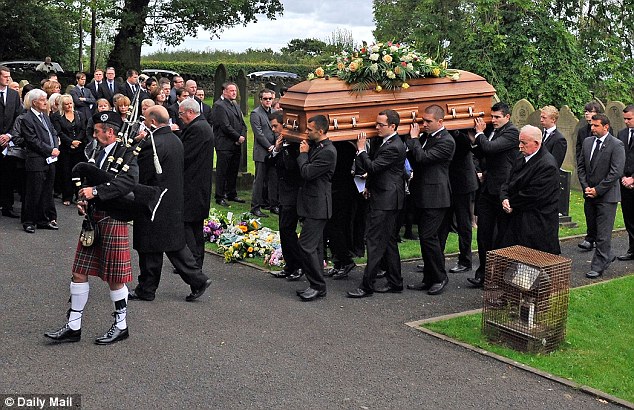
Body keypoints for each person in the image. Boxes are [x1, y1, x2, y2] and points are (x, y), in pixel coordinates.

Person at [44, 111, 139, 344]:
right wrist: (83, 199)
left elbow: (127, 183)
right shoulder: (95, 153)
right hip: (93, 220)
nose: (94, 135)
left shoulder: (127, 154)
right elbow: (86, 182)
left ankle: (121, 325)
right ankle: (73, 327)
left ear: (110, 132)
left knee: (115, 278)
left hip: (114, 219)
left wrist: (96, 192)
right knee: (78, 272)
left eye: (97, 131)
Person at [129, 105, 212, 301]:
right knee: (174, 246)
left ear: (152, 122)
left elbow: (142, 174)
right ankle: (197, 279)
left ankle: (147, 289)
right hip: (172, 199)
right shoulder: (175, 140)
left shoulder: (153, 144)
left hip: (154, 202)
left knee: (150, 247)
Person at [347, 109, 406, 298]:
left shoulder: (394, 146)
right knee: (388, 242)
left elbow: (373, 167)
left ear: (393, 126)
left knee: (374, 242)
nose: (376, 127)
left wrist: (361, 149)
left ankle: (367, 286)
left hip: (386, 201)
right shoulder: (387, 142)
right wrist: (369, 187)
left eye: (381, 125)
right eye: (376, 124)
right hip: (385, 196)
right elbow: (378, 171)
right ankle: (396, 281)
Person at [466, 102, 520, 288]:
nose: (494, 120)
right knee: (483, 234)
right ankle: (483, 273)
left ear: (507, 117)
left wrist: (480, 134)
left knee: (500, 236)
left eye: (497, 117)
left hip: (502, 190)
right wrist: (473, 139)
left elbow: (491, 148)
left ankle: (497, 277)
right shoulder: (492, 131)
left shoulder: (512, 133)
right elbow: (482, 151)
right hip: (488, 189)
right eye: (493, 116)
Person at [405, 105, 455, 295]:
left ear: (440, 122)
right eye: (422, 121)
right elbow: (414, 157)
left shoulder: (446, 141)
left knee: (428, 237)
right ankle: (428, 278)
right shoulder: (427, 137)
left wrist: (414, 139)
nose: (423, 124)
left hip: (437, 197)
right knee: (426, 239)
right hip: (423, 195)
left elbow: (423, 158)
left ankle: (440, 277)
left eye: (428, 121)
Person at [497, 125, 561, 254]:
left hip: (536, 223)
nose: (519, 146)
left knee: (532, 264)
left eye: (523, 143)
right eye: (519, 142)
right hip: (516, 220)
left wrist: (511, 202)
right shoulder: (521, 157)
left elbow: (533, 195)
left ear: (536, 144)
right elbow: (508, 181)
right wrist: (504, 197)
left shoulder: (547, 165)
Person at [295, 115, 337, 301]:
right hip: (312, 204)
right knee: (316, 248)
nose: (307, 132)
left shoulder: (327, 151)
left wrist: (303, 154)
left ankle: (318, 286)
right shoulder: (318, 147)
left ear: (321, 131)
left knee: (306, 246)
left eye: (310, 130)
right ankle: (316, 284)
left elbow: (307, 172)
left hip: (318, 206)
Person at [577, 114, 625, 279]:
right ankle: (607, 255)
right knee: (594, 231)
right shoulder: (587, 142)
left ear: (606, 127)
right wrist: (586, 187)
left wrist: (598, 190)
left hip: (607, 197)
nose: (592, 128)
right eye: (591, 125)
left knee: (604, 234)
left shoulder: (616, 145)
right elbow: (581, 166)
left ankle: (597, 266)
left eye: (596, 126)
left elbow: (616, 172)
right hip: (589, 194)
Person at [178, 99, 214, 270]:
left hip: (193, 185)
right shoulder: (200, 126)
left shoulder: (198, 129)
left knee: (188, 225)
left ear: (190, 112)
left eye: (181, 114)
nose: (180, 117)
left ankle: (192, 262)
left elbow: (185, 155)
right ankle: (195, 261)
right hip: (197, 184)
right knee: (194, 225)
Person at [268, 111, 303, 280]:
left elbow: (291, 168)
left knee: (288, 229)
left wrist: (285, 149)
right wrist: (276, 149)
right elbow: (271, 163)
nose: (274, 129)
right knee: (284, 230)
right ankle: (290, 265)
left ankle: (297, 265)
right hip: (284, 194)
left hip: (294, 194)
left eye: (276, 126)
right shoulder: (283, 145)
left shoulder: (295, 146)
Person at [19, 89, 59, 233]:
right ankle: (29, 221)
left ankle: (43, 219)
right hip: (36, 160)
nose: (45, 102)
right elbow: (32, 140)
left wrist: (55, 146)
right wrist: (50, 150)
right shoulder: (26, 119)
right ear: (35, 102)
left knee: (47, 191)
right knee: (33, 192)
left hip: (50, 160)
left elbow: (53, 132)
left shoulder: (45, 116)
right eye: (43, 100)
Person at [439, 130, 478, 274]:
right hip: (447, 183)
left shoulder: (461, 134)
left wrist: (456, 132)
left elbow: (465, 146)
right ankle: (436, 259)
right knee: (441, 224)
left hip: (463, 183)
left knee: (464, 224)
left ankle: (465, 261)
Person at [212, 82, 247, 206]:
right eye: (231, 91)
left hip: (236, 144)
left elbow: (242, 123)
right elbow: (225, 126)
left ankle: (231, 193)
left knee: (233, 170)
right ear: (224, 91)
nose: (234, 93)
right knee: (222, 171)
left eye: (235, 91)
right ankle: (219, 196)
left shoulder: (235, 105)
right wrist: (238, 137)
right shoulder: (219, 106)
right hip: (225, 144)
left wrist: (241, 136)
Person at [51, 94, 87, 206]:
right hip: (65, 148)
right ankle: (67, 196)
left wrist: (77, 141)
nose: (69, 106)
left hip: (79, 147)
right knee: (66, 172)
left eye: (70, 103)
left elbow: (83, 129)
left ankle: (79, 195)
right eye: (66, 104)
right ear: (62, 105)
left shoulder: (79, 115)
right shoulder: (57, 116)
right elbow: (59, 132)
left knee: (79, 172)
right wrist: (70, 142)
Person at [0, 65, 24, 218]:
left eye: (9, 76)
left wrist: (9, 135)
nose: (8, 78)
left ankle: (7, 206)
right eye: (4, 76)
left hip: (8, 142)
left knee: (7, 175)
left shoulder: (14, 96)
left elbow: (18, 118)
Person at [250, 88, 278, 217]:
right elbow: (259, 134)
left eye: (270, 99)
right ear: (260, 100)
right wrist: (269, 147)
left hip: (274, 150)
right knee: (259, 180)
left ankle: (273, 205)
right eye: (265, 99)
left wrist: (277, 145)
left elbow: (277, 130)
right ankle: (255, 207)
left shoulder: (274, 112)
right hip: (262, 151)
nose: (268, 101)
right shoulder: (255, 113)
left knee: (273, 179)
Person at [617, 105, 634, 261]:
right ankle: (632, 249)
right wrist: (622, 177)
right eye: (625, 119)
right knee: (628, 216)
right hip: (625, 182)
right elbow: (619, 157)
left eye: (629, 118)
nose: (626, 121)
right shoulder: (622, 134)